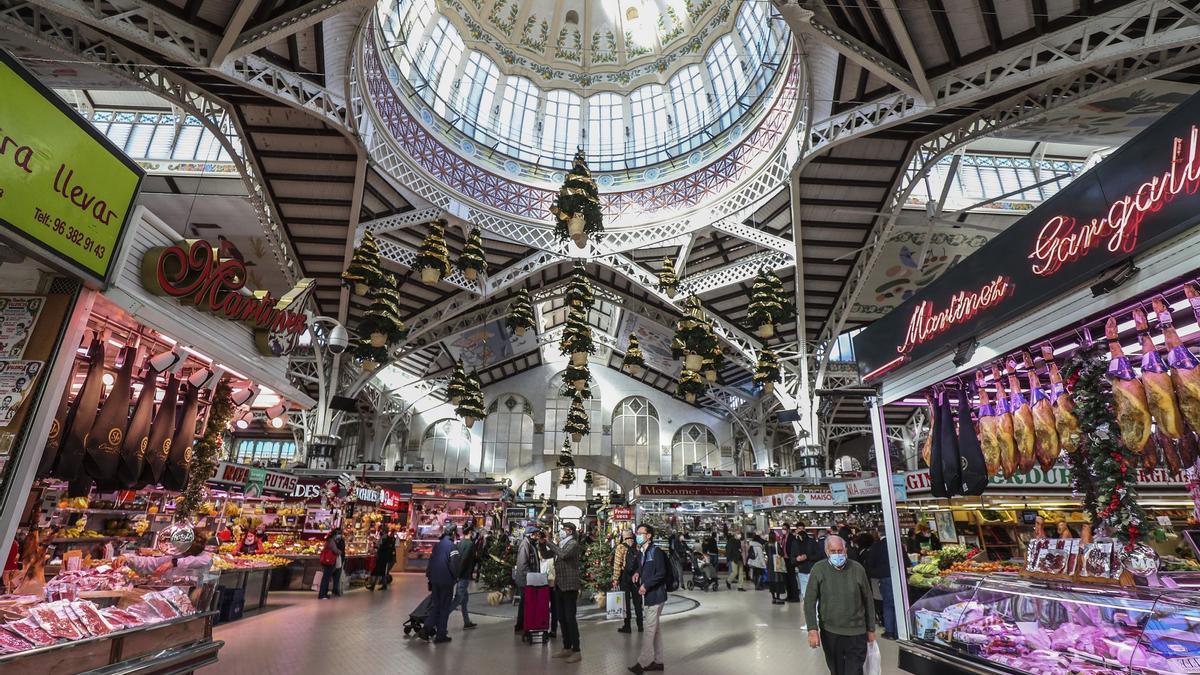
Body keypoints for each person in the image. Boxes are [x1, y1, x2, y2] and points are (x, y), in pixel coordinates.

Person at [805, 535, 876, 675]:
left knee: (854, 671)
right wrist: (812, 629)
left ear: (846, 550)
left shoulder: (857, 569)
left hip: (857, 631)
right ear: (826, 552)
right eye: (833, 551)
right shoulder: (818, 569)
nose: (837, 554)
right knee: (836, 670)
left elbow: (868, 600)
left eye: (840, 550)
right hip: (831, 632)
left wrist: (871, 629)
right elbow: (809, 601)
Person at [628, 523, 666, 674]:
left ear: (649, 535)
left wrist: (646, 585)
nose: (637, 535)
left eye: (640, 533)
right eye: (637, 532)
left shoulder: (656, 551)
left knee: (649, 630)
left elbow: (661, 572)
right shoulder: (643, 551)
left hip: (656, 595)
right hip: (650, 595)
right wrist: (638, 572)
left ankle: (641, 663)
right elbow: (644, 567)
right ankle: (659, 661)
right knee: (655, 630)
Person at [546, 522, 583, 663]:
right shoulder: (561, 543)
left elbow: (562, 555)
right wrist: (543, 543)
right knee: (561, 617)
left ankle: (576, 650)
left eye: (565, 529)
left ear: (570, 531)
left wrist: (550, 542)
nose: (562, 531)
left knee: (570, 618)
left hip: (570, 585)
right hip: (559, 585)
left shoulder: (573, 544)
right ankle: (566, 647)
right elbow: (545, 553)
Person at [120, 531, 214, 581]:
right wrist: (127, 558)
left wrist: (173, 563)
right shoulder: (177, 556)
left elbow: (203, 561)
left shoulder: (204, 559)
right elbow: (151, 562)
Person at [421, 521, 460, 644]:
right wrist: (456, 577)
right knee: (444, 608)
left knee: (436, 605)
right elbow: (453, 565)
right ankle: (440, 634)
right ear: (453, 533)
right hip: (446, 581)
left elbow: (431, 562)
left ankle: (426, 629)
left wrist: (429, 576)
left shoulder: (438, 545)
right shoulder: (452, 547)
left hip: (435, 580)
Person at [866, 532, 900, 639]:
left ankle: (890, 632)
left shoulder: (876, 546)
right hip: (899, 577)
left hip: (885, 578)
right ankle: (900, 630)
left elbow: (870, 564)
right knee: (899, 604)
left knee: (888, 604)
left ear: (879, 534)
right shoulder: (897, 543)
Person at [613, 529, 643, 633]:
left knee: (625, 602)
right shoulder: (638, 546)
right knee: (637, 602)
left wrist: (615, 579)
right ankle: (640, 625)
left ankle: (627, 626)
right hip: (636, 577)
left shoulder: (620, 547)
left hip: (625, 577)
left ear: (623, 536)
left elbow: (617, 564)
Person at [513, 526, 540, 633]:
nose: (538, 535)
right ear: (531, 534)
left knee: (526, 603)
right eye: (536, 534)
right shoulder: (525, 544)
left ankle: (523, 624)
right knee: (525, 603)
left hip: (529, 579)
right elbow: (523, 564)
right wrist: (531, 578)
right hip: (526, 580)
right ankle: (521, 626)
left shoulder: (531, 544)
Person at [450, 521, 478, 628]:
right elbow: (464, 560)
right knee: (457, 600)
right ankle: (441, 618)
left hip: (460, 575)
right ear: (470, 532)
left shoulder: (461, 542)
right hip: (463, 576)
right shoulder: (470, 544)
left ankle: (467, 622)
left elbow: (457, 558)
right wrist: (459, 574)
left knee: (464, 600)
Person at [795, 525, 823, 599]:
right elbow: (792, 557)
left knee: (814, 593)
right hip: (801, 571)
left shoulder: (812, 542)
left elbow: (819, 555)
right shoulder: (795, 543)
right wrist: (797, 559)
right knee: (804, 594)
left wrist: (807, 557)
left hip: (811, 570)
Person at [317, 528, 344, 600]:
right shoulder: (331, 541)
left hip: (327, 561)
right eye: (338, 534)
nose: (339, 535)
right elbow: (335, 550)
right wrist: (340, 552)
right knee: (326, 578)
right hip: (328, 562)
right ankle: (322, 595)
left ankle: (324, 594)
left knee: (326, 578)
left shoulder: (330, 540)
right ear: (335, 534)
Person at [370, 526, 396, 590]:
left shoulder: (386, 539)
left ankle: (374, 585)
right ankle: (377, 585)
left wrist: (377, 546)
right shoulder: (387, 539)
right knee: (381, 572)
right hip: (383, 558)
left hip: (383, 558)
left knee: (379, 572)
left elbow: (383, 548)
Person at [781, 523, 801, 602]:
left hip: (790, 560)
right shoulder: (782, 538)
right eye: (782, 528)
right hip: (784, 560)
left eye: (785, 529)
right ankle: (789, 595)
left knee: (792, 578)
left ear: (788, 529)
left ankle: (795, 596)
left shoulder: (792, 538)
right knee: (786, 579)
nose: (783, 530)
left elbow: (794, 549)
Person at [766, 530, 786, 604]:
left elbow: (767, 553)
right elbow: (781, 553)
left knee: (771, 580)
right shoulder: (776, 544)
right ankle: (778, 597)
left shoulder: (766, 544)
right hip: (776, 563)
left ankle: (773, 597)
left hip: (769, 563)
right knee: (777, 580)